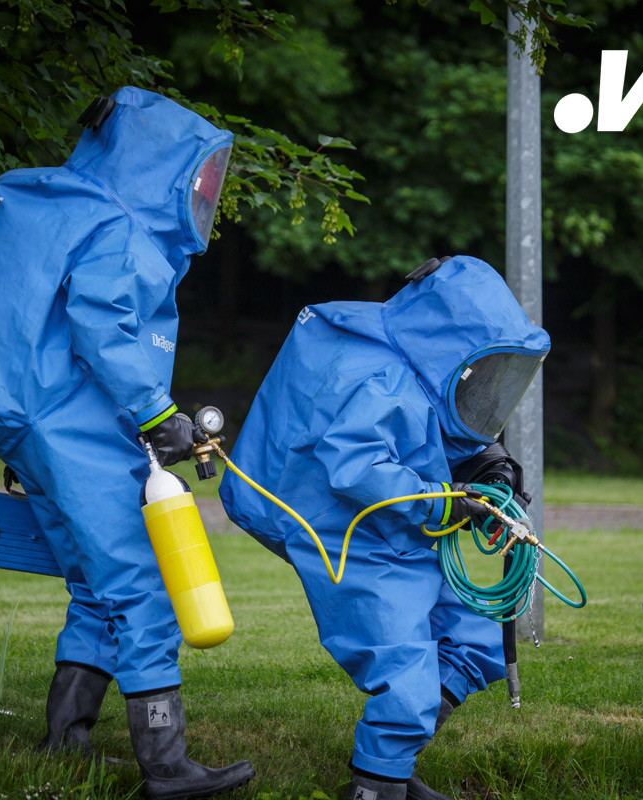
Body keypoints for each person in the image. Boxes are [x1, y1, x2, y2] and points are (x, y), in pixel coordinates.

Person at [0, 86, 254, 799]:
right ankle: (166, 766)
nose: (204, 193)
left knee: (92, 576)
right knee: (141, 580)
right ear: (162, 166)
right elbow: (103, 325)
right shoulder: (120, 226)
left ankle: (64, 740)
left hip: (19, 411)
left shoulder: (49, 201)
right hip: (68, 418)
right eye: (199, 177)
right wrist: (154, 413)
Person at [218, 256, 549, 800]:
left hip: (400, 523)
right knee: (406, 671)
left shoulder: (413, 362)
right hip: (348, 533)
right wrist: (447, 503)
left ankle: (399, 760)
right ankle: (377, 784)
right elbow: (356, 465)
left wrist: (486, 462)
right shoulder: (382, 378)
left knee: (474, 633)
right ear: (448, 344)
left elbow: (432, 423)